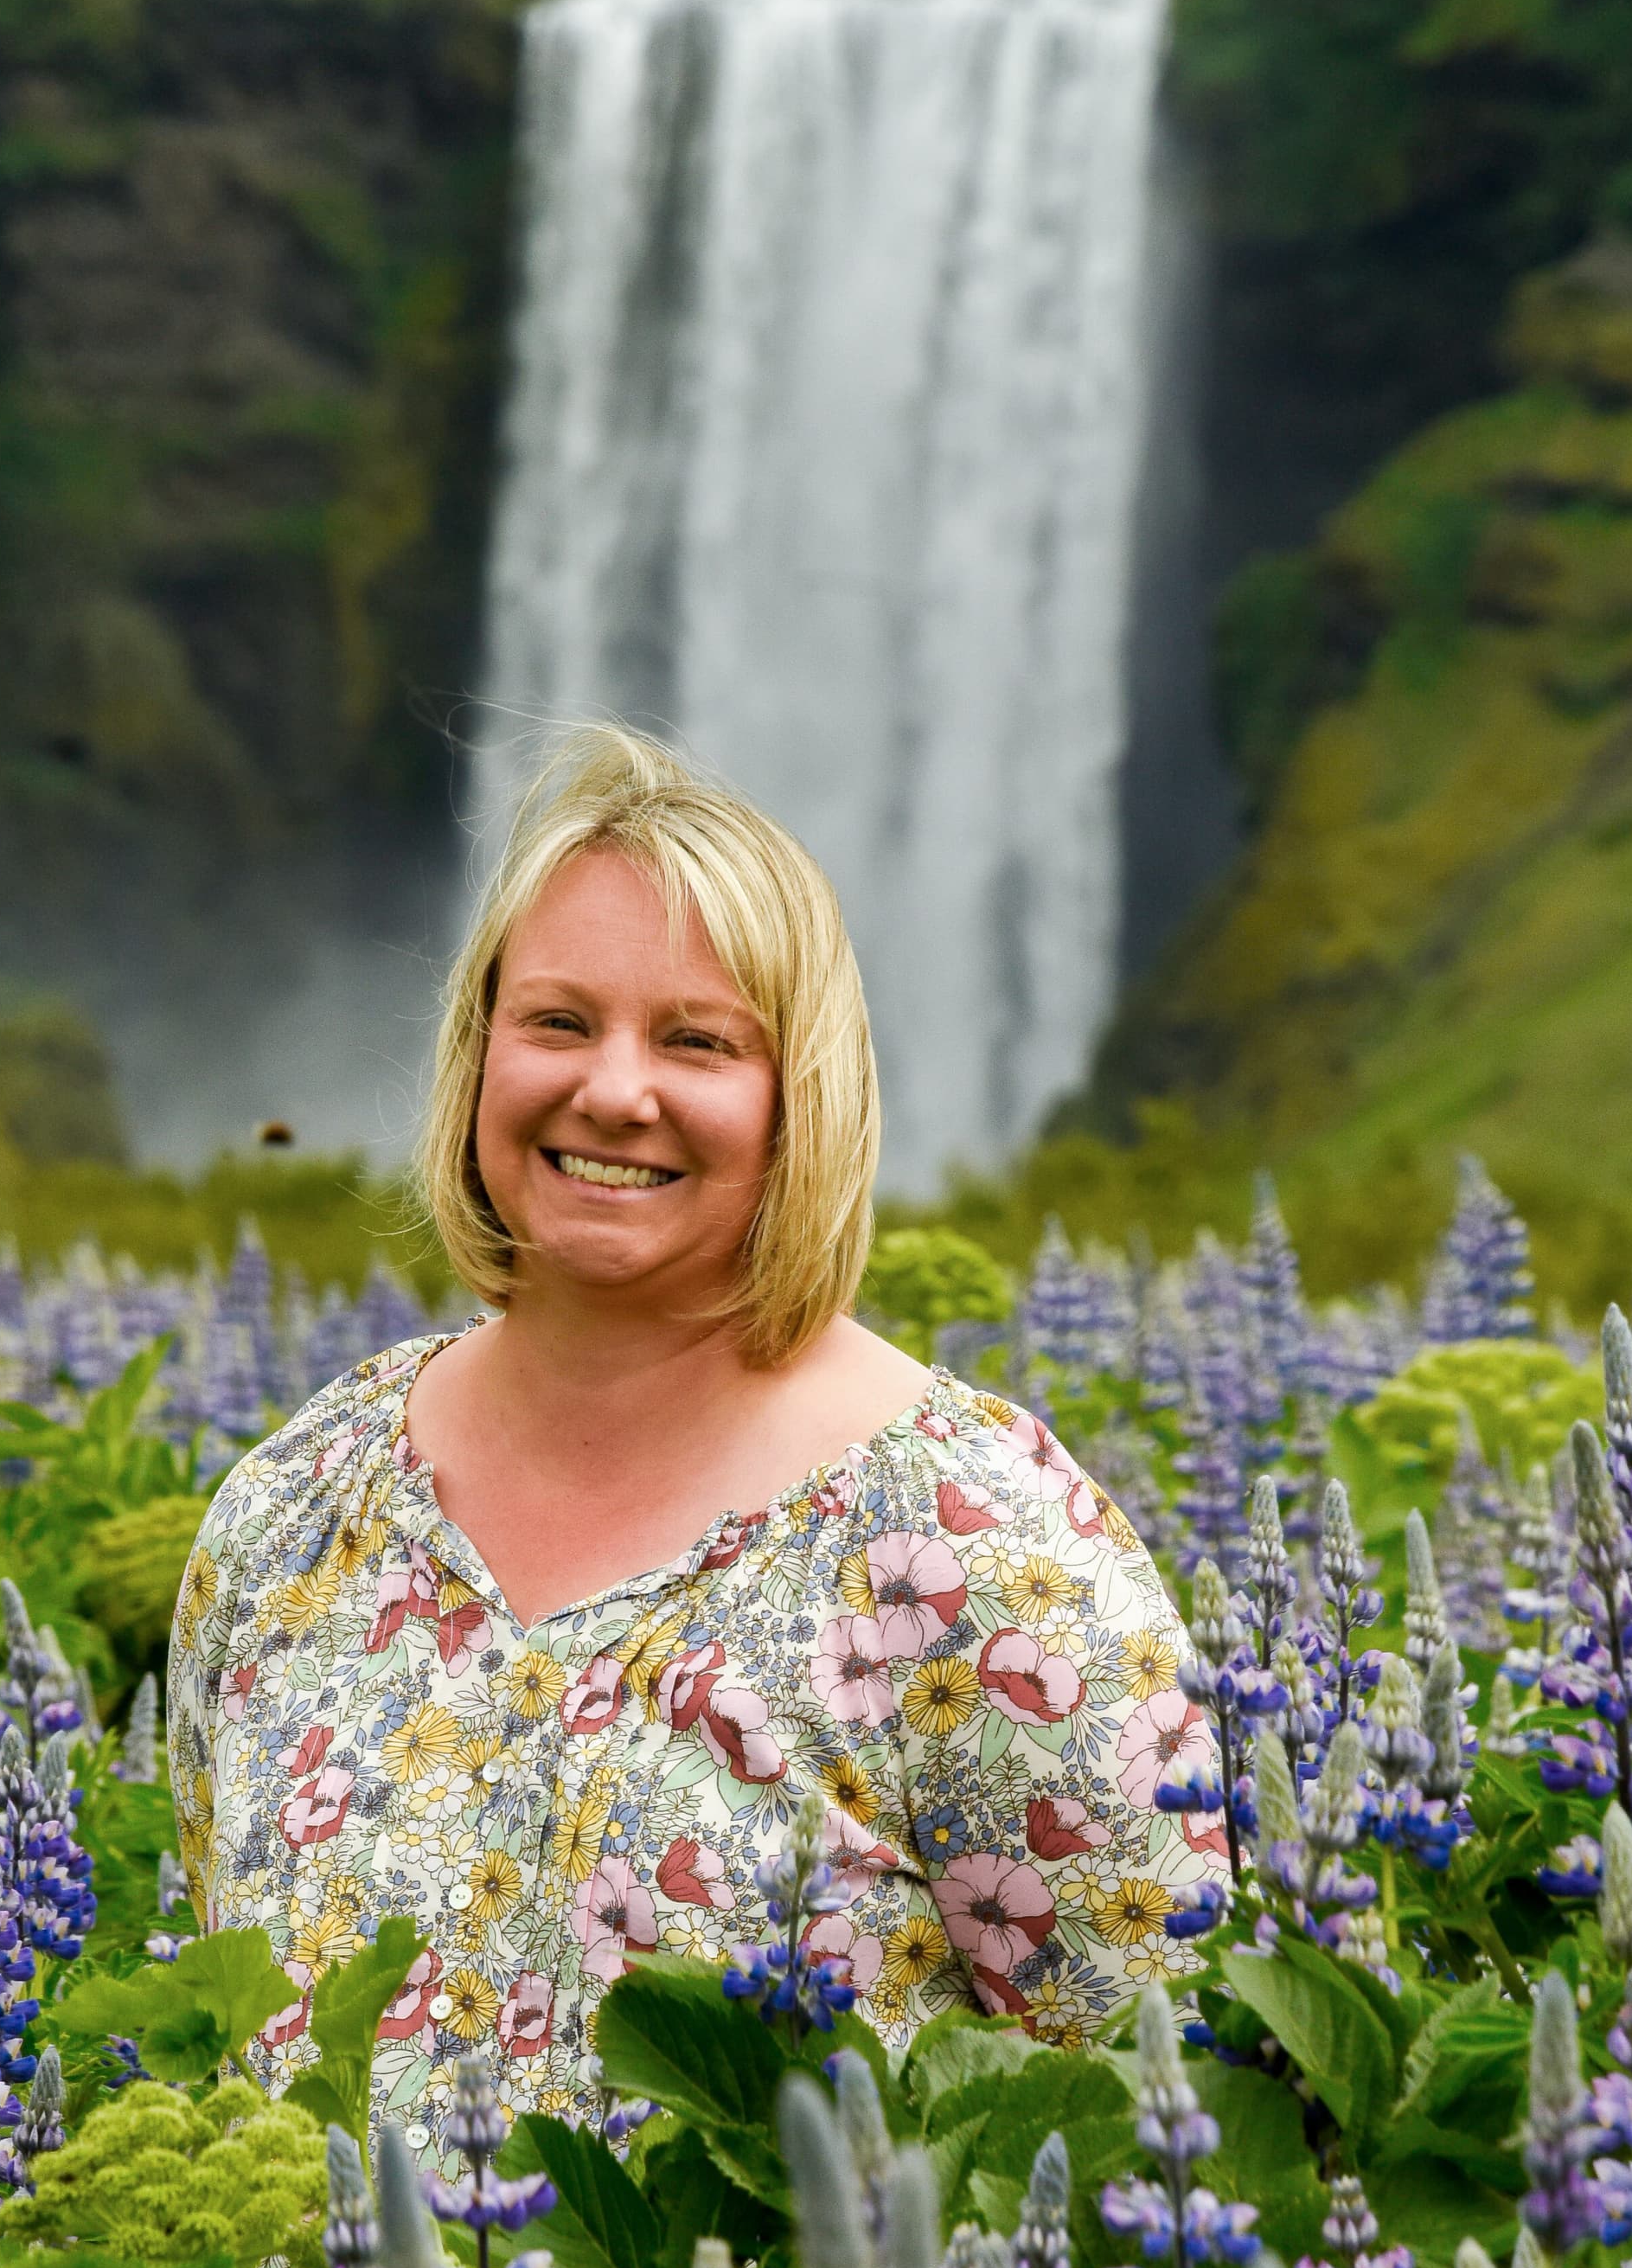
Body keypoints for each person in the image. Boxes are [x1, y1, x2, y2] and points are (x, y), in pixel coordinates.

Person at [167, 727, 1221, 2130]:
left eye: (697, 1040)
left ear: (801, 1099)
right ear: (479, 1051)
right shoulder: (297, 1508)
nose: (614, 1090)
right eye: (557, 1021)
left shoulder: (976, 1546)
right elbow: (229, 2032)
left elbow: (1176, 2101)